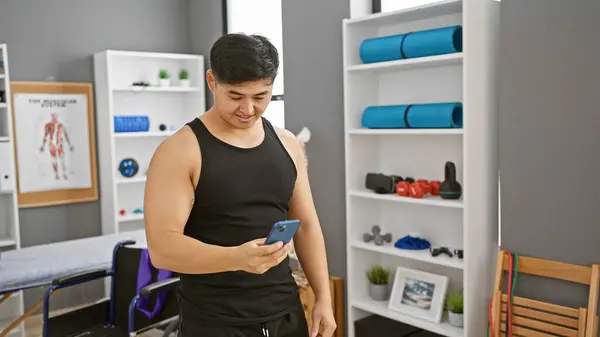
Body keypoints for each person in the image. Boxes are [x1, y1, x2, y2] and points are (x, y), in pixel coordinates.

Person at [144, 33, 336, 337]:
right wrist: (236, 257)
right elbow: (162, 249)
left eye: (261, 97)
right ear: (211, 81)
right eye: (235, 96)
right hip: (214, 322)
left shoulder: (288, 145)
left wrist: (323, 297)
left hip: (286, 315)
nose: (248, 109)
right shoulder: (180, 151)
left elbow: (308, 225)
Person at [39, 112, 74, 180]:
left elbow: (66, 135)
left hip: (59, 144)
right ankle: (56, 174)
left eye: (55, 117)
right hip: (52, 145)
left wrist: (69, 145)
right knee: (54, 160)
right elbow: (45, 135)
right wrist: (43, 145)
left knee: (62, 160)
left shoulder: (61, 125)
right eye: (53, 117)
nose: (54, 118)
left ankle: (64, 174)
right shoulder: (48, 125)